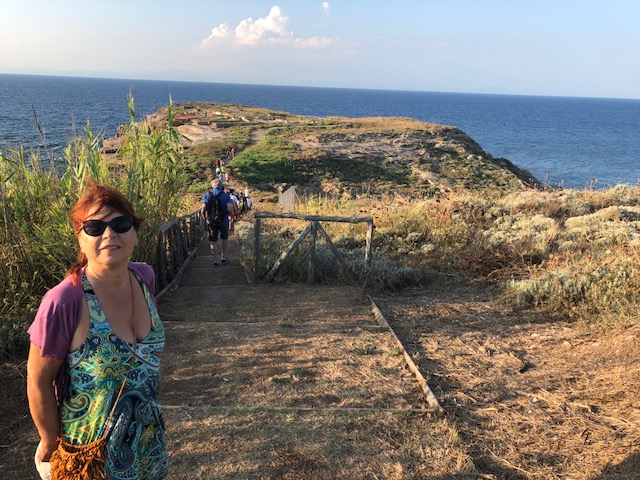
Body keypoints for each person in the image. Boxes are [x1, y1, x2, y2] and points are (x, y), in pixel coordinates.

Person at [26, 181, 168, 480]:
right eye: (94, 227)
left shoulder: (143, 277)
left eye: (121, 223)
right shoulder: (64, 301)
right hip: (92, 458)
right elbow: (38, 380)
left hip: (148, 443)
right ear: (79, 236)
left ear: (134, 230)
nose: (109, 234)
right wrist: (52, 444)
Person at [201, 178, 234, 266]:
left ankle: (216, 259)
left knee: (213, 240)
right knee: (224, 239)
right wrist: (231, 215)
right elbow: (230, 208)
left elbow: (203, 208)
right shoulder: (226, 195)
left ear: (213, 186)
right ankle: (223, 257)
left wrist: (204, 216)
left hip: (211, 222)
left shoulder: (207, 195)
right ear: (221, 186)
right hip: (223, 221)